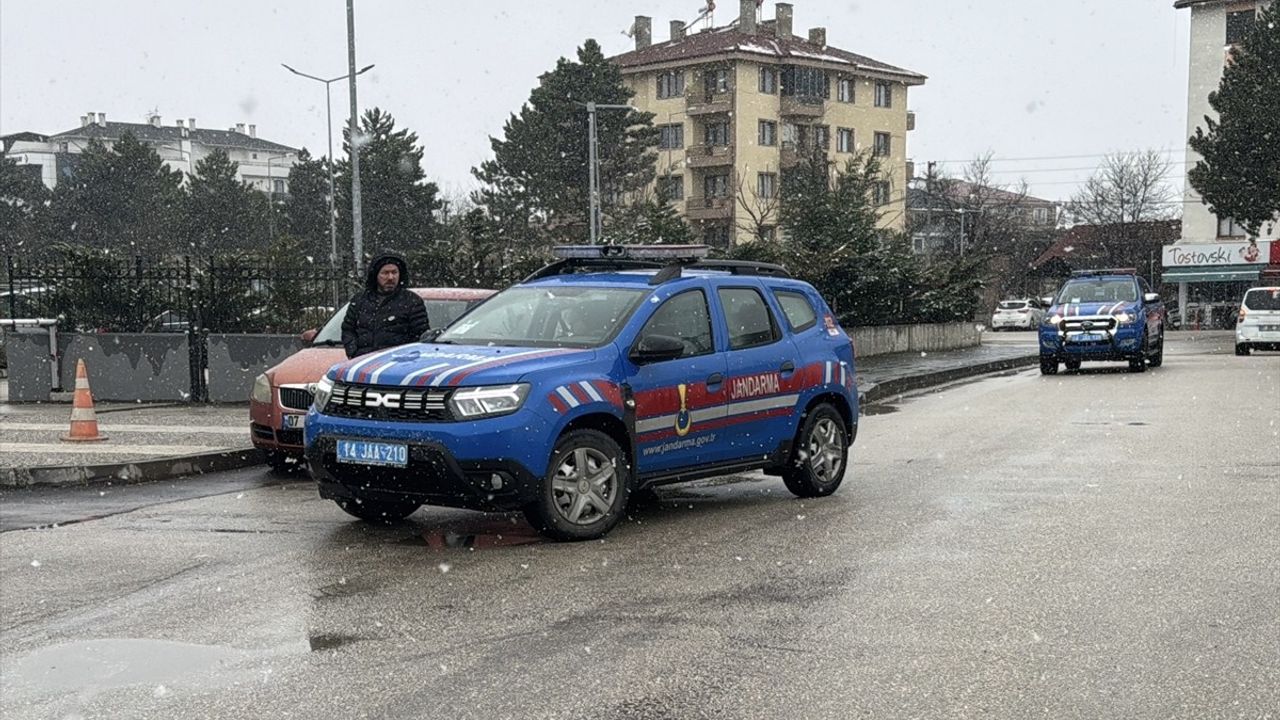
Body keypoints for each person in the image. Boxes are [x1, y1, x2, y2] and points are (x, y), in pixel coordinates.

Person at [341, 253, 430, 358]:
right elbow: (348, 329)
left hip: (396, 365)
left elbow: (420, 335)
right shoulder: (360, 300)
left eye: (394, 272)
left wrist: (406, 357)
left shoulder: (412, 301)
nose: (390, 277)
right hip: (363, 362)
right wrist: (353, 351)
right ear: (376, 275)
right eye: (385, 273)